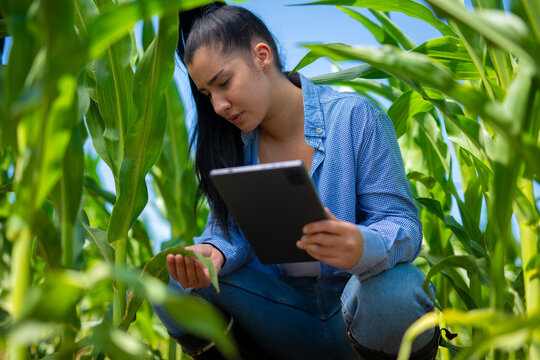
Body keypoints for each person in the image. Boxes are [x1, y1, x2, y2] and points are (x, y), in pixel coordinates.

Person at [153, 3, 440, 359]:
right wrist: (214, 253)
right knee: (174, 286)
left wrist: (360, 245)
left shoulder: (355, 118)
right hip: (281, 315)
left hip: (356, 309)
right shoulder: (234, 148)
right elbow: (229, 235)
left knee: (397, 291)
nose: (219, 105)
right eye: (207, 94)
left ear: (262, 55)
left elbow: (404, 225)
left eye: (224, 83)